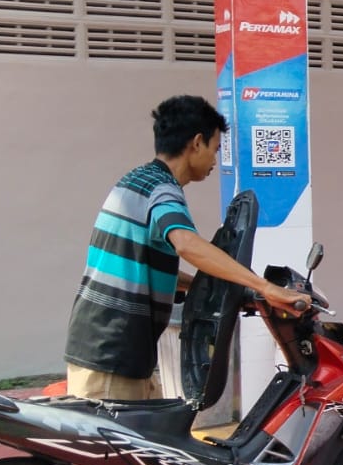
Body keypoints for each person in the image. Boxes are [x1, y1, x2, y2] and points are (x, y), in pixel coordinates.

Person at [64, 95, 305, 401]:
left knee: (158, 432)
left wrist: (215, 290)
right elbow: (187, 244)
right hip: (111, 353)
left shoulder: (139, 181)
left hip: (114, 348)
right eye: (215, 149)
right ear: (197, 143)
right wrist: (265, 287)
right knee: (122, 435)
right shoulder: (162, 190)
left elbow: (146, 266)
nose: (215, 161)